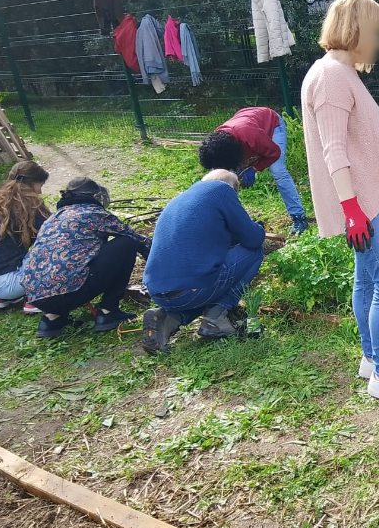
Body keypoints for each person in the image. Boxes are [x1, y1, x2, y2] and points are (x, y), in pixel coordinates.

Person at [300, 0, 379, 408]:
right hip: (360, 206)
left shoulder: (342, 72)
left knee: (367, 281)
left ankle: (373, 360)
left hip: (367, 201)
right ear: (355, 30)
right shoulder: (331, 77)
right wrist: (353, 210)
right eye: (375, 31)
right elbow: (334, 149)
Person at [141, 169, 266, 353]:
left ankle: (167, 317)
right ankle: (217, 316)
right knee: (254, 252)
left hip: (159, 292)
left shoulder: (180, 199)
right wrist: (259, 228)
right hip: (194, 288)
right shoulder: (222, 190)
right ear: (233, 189)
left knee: (202, 280)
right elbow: (253, 239)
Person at [23, 178, 150, 338]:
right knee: (127, 243)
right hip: (70, 291)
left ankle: (52, 320)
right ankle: (108, 311)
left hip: (35, 297)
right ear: (94, 196)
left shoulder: (53, 219)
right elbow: (136, 239)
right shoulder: (93, 212)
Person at [198, 107, 309, 236]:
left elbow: (274, 153)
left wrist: (254, 168)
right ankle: (233, 222)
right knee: (225, 180)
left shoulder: (250, 136)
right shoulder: (218, 143)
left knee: (277, 171)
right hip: (247, 122)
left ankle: (299, 217)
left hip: (271, 124)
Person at [0, 161, 50, 314]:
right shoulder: (30, 204)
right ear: (32, 183)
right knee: (53, 250)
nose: (40, 192)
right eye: (40, 185)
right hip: (9, 285)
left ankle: (0, 299)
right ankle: (36, 298)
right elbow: (53, 233)